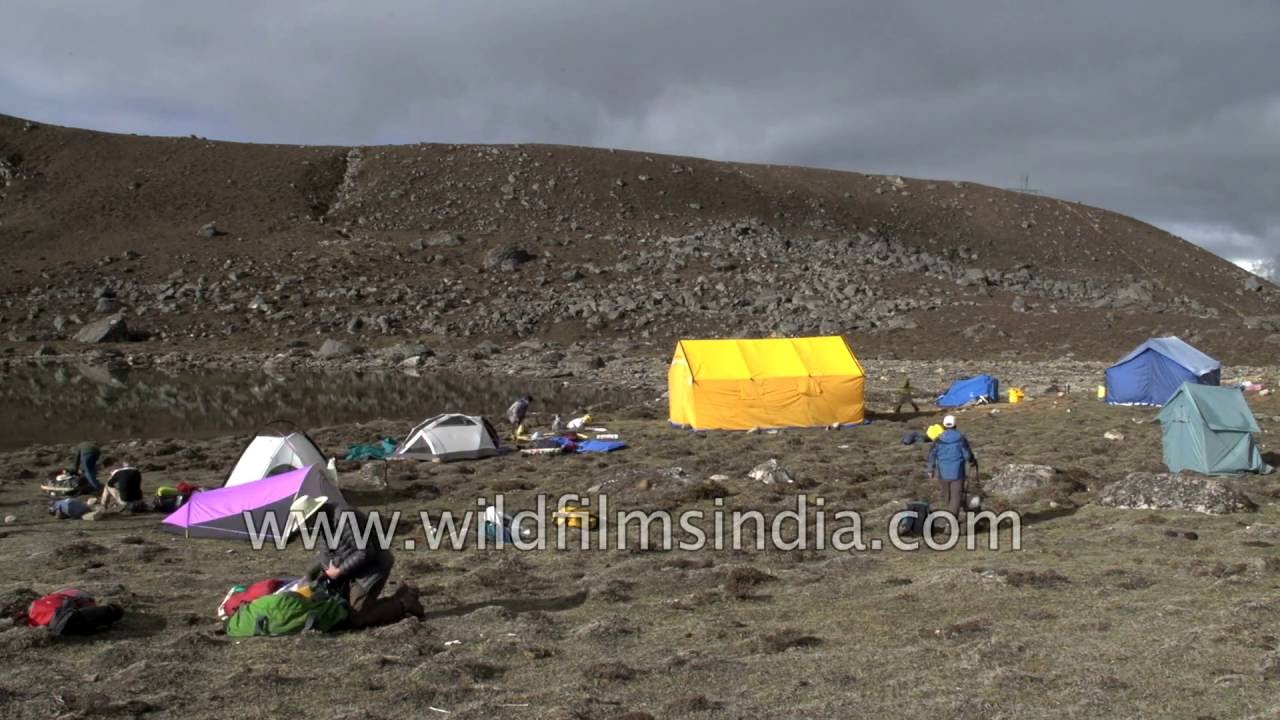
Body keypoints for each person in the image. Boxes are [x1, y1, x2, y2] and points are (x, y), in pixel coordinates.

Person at [297, 501, 424, 628]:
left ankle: (405, 602)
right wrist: (310, 575)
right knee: (342, 612)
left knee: (357, 617)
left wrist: (339, 571)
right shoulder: (325, 522)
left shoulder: (344, 518)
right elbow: (326, 553)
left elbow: (364, 552)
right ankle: (400, 597)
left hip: (372, 568)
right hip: (353, 570)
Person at [927, 415, 978, 526]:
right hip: (957, 473)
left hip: (943, 474)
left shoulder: (938, 439)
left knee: (947, 496)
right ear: (955, 425)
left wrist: (930, 469)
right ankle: (950, 524)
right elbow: (967, 455)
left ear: (944, 425)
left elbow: (931, 455)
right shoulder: (960, 438)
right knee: (956, 497)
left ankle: (950, 518)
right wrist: (972, 461)